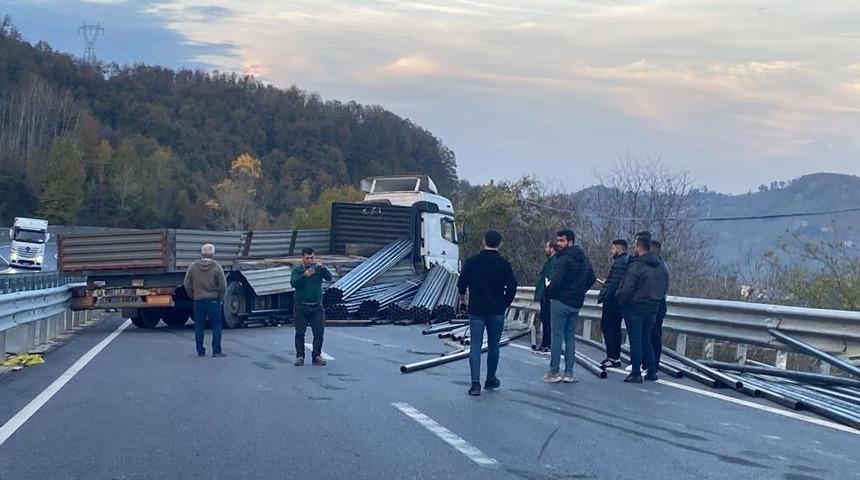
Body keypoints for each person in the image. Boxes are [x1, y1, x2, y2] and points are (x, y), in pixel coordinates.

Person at [458, 230, 518, 397]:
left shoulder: (472, 262)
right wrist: (504, 303)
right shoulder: (504, 264)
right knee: (494, 345)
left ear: (484, 241)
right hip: (496, 310)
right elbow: (512, 287)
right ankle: (490, 379)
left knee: (475, 345)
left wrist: (463, 300)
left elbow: (461, 285)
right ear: (500, 244)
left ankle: (475, 384)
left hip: (476, 309)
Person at [544, 229, 595, 384]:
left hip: (560, 302)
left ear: (570, 242)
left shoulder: (564, 259)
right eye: (558, 240)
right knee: (570, 337)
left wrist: (550, 293)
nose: (558, 243)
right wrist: (579, 292)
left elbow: (557, 281)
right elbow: (592, 278)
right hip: (575, 303)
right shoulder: (584, 259)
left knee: (557, 336)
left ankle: (554, 372)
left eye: (562, 241)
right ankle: (569, 373)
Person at [616, 233, 668, 383]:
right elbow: (664, 286)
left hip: (636, 308)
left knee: (635, 341)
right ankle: (652, 371)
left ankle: (636, 373)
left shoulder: (636, 265)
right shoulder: (659, 266)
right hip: (653, 308)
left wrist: (621, 301)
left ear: (638, 247)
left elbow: (627, 288)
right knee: (646, 339)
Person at [183, 243, 228, 358]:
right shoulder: (217, 267)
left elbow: (186, 283)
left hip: (198, 300)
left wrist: (192, 295)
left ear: (201, 253)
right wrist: (220, 297)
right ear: (213, 254)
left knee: (199, 326)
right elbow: (223, 286)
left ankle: (200, 351)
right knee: (216, 325)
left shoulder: (193, 266)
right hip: (213, 300)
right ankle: (216, 351)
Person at [291, 247, 333, 366]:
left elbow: (329, 277)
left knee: (319, 332)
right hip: (301, 306)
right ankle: (300, 356)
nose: (309, 260)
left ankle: (316, 356)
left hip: (316, 306)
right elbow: (293, 283)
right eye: (307, 258)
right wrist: (304, 276)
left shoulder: (318, 270)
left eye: (311, 258)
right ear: (302, 258)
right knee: (300, 333)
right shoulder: (298, 271)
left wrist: (322, 268)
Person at [597, 239, 629, 368]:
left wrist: (605, 294)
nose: (611, 251)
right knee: (616, 328)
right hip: (619, 301)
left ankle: (612, 357)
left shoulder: (620, 263)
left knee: (608, 327)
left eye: (613, 249)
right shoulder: (626, 260)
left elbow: (615, 283)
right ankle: (616, 357)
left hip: (612, 301)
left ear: (619, 249)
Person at [533, 241, 558, 352]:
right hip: (544, 295)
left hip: (547, 295)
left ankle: (547, 344)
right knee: (545, 320)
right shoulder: (549, 261)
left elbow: (549, 278)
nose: (545, 249)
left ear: (552, 249)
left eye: (547, 247)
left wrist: (545, 292)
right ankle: (545, 343)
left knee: (547, 320)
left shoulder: (553, 262)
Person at [650, 240, 669, 371]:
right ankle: (651, 364)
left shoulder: (658, 267)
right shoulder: (662, 266)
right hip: (659, 304)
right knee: (654, 336)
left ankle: (652, 365)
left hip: (656, 305)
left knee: (653, 336)